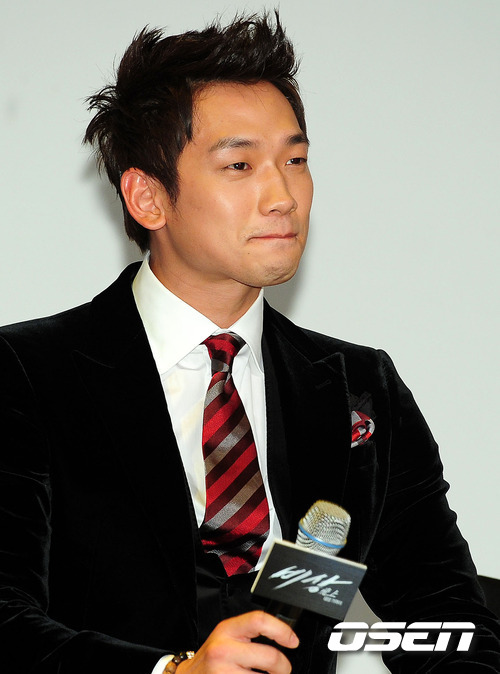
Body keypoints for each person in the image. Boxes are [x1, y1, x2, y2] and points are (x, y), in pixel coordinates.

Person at [0, 12, 499, 674]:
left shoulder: (356, 390)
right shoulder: (27, 374)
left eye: (296, 161)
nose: (283, 195)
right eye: (239, 164)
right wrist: (175, 672)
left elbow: (446, 619)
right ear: (147, 197)